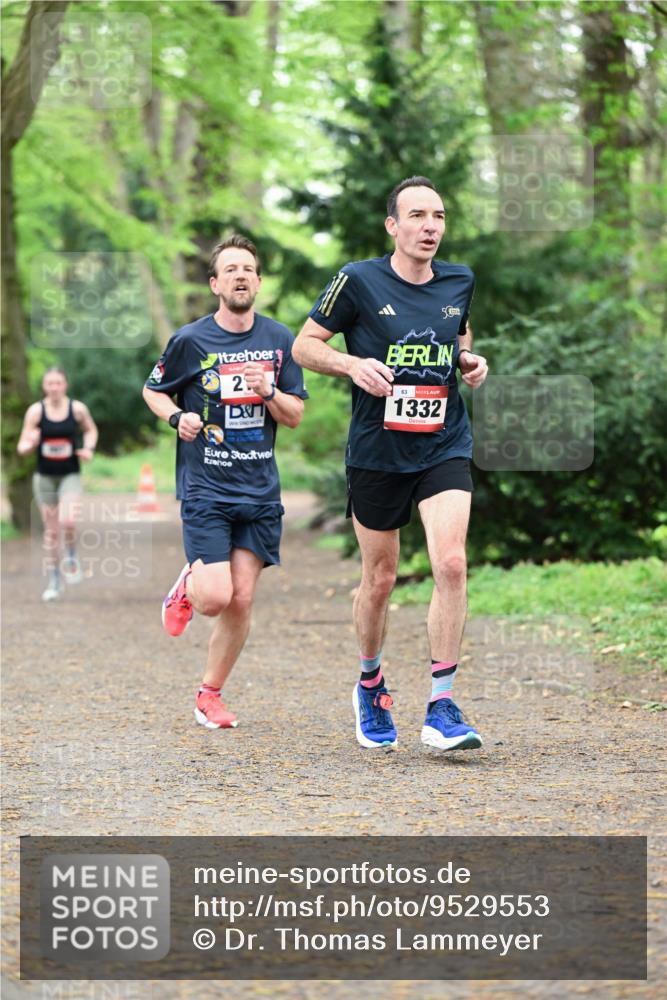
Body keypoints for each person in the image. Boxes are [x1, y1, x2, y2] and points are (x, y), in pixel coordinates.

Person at [293, 176, 488, 752]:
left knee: (451, 563)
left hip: (443, 442)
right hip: (378, 451)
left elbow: (459, 335)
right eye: (419, 215)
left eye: (439, 216)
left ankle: (442, 704)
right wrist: (352, 366)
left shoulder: (459, 279)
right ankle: (371, 684)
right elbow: (304, 345)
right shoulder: (357, 279)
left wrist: (470, 359)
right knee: (379, 580)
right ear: (393, 225)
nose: (431, 226)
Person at [142, 234, 308, 730]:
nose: (241, 276)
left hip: (259, 490)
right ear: (215, 284)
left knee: (242, 599)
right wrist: (177, 418)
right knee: (215, 598)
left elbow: (295, 414)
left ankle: (209, 695)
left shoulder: (281, 340)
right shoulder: (191, 341)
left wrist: (270, 391)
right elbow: (153, 391)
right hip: (207, 487)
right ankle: (190, 585)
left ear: (258, 281)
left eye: (248, 269)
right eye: (230, 269)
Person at [17, 366, 98, 601]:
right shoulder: (35, 412)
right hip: (44, 477)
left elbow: (91, 430)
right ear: (44, 386)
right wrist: (30, 444)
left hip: (69, 474)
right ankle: (54, 580)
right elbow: (22, 446)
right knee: (51, 532)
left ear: (65, 385)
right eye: (49, 383)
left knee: (68, 520)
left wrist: (89, 449)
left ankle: (71, 555)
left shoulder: (77, 409)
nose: (54, 387)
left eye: (58, 383)